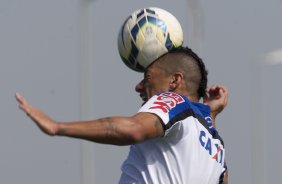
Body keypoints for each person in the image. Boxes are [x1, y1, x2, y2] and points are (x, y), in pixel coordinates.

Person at [15, 46, 228, 184]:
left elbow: (133, 129)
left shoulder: (173, 101)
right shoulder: (216, 145)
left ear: (174, 81)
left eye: (147, 77)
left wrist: (57, 127)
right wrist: (210, 115)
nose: (138, 86)